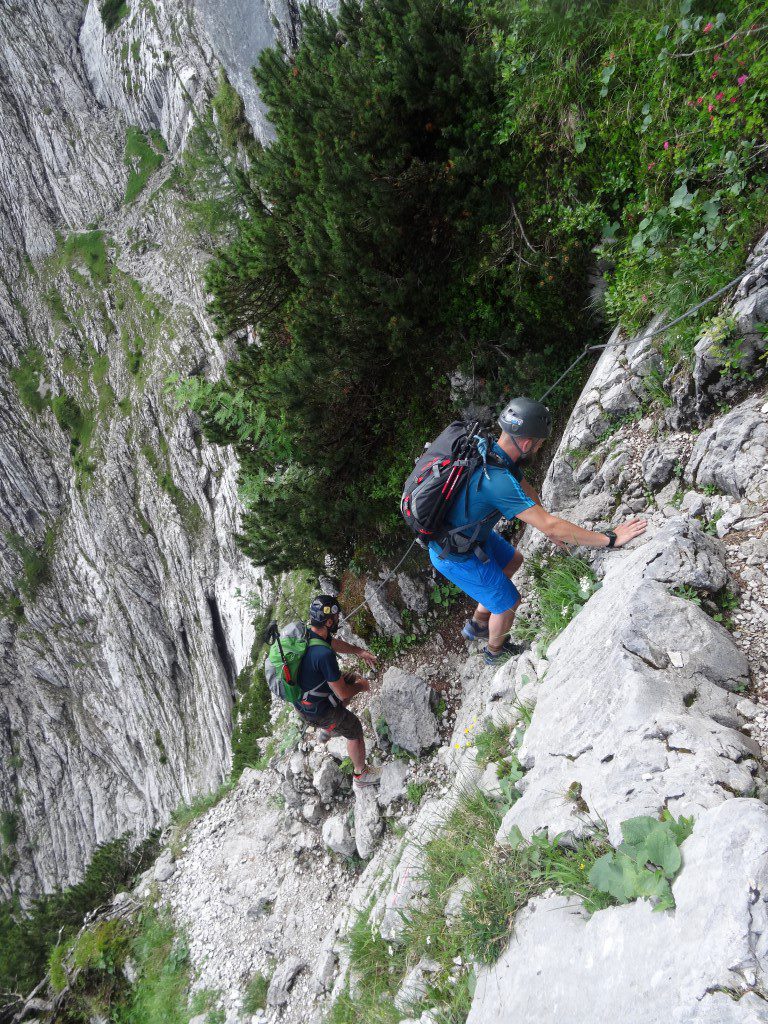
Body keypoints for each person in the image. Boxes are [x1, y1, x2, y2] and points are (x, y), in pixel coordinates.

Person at [429, 397, 647, 665]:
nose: (540, 447)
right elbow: (551, 523)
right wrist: (609, 539)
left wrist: (547, 527)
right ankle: (495, 652)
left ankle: (478, 623)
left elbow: (527, 491)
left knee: (513, 561)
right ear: (526, 444)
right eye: (540, 443)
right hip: (455, 554)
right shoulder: (496, 480)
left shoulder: (493, 452)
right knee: (508, 603)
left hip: (466, 535)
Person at [294, 595, 381, 788]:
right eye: (336, 616)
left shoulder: (308, 634)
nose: (338, 619)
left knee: (348, 678)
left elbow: (331, 643)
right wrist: (363, 686)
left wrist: (359, 652)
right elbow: (344, 694)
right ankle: (360, 775)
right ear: (328, 621)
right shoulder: (324, 655)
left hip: (305, 700)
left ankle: (328, 729)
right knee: (355, 730)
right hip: (317, 712)